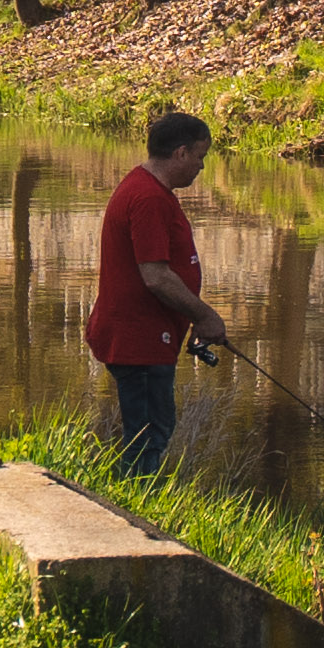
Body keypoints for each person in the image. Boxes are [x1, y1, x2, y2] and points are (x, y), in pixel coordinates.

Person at [82, 106, 232, 475]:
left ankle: (131, 500)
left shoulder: (149, 189)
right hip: (138, 340)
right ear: (180, 153)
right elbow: (156, 276)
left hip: (145, 338)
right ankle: (131, 510)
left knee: (150, 431)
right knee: (149, 434)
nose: (201, 166)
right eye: (199, 157)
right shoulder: (147, 198)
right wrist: (204, 315)